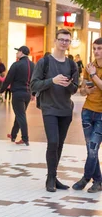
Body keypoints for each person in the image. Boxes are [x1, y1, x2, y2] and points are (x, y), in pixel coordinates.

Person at [30, 29, 79, 192]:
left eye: (67, 40)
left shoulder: (72, 64)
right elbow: (33, 85)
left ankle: (54, 176)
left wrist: (68, 85)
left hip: (65, 110)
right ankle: (50, 179)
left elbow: (74, 89)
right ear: (55, 41)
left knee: (59, 144)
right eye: (62, 39)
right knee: (52, 142)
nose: (64, 43)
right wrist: (52, 80)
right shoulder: (44, 62)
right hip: (49, 108)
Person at [73, 38, 102, 193]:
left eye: (99, 48)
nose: (96, 51)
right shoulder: (89, 67)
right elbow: (82, 89)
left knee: (93, 148)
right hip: (87, 111)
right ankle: (98, 181)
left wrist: (94, 75)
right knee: (91, 148)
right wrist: (86, 90)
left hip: (101, 115)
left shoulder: (92, 70)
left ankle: (85, 178)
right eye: (94, 48)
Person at [0, 46, 35, 146]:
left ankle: (25, 138)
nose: (16, 54)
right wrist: (33, 93)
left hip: (18, 94)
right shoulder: (33, 65)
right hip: (27, 94)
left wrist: (2, 90)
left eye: (18, 52)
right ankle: (13, 134)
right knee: (20, 114)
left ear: (22, 52)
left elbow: (8, 79)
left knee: (21, 115)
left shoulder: (16, 65)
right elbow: (35, 80)